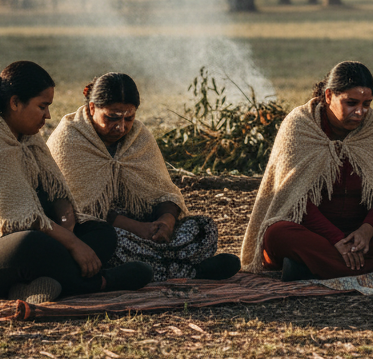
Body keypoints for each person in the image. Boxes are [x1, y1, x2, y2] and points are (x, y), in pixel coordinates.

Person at [0, 61, 152, 304]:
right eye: (42, 106)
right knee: (30, 245)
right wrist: (71, 242)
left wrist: (66, 219)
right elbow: (18, 218)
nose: (48, 115)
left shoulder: (26, 135)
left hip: (12, 240)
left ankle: (31, 286)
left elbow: (54, 186)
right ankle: (99, 283)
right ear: (15, 103)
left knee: (100, 232)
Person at [240, 61, 373, 280]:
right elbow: (292, 200)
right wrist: (335, 238)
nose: (360, 112)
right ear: (329, 95)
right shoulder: (300, 125)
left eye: (366, 104)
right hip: (314, 232)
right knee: (276, 235)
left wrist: (367, 230)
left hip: (363, 234)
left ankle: (306, 269)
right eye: (351, 103)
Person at [47, 72, 240, 281]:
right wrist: (138, 228)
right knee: (109, 241)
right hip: (105, 229)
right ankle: (191, 270)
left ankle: (154, 268)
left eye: (129, 118)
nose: (121, 126)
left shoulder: (139, 136)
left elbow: (163, 190)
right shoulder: (69, 137)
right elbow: (76, 210)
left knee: (203, 228)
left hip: (150, 230)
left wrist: (165, 222)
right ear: (92, 107)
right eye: (112, 117)